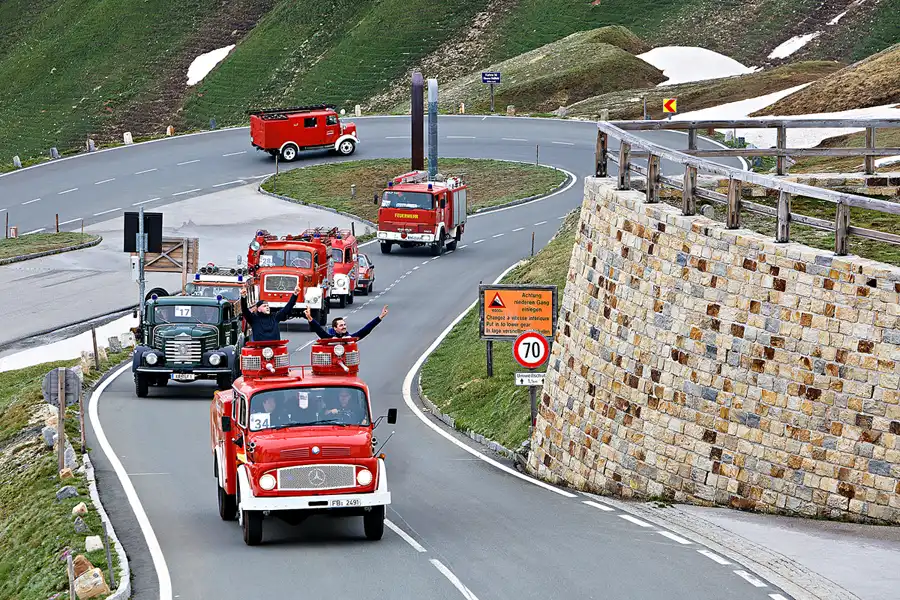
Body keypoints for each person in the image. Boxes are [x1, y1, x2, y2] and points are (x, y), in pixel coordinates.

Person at [303, 305, 387, 340]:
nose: (344, 327)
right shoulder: (329, 338)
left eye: (344, 325)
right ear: (335, 328)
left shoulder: (349, 338)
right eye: (341, 325)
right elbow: (319, 330)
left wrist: (380, 317)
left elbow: (365, 330)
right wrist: (310, 318)